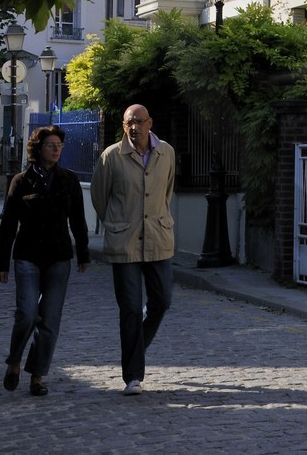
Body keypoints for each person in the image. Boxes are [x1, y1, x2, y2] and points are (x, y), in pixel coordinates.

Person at [0, 125, 89, 397]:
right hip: (28, 255)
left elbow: (78, 220)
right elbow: (9, 223)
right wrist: (2, 262)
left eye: (59, 144)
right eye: (51, 144)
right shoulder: (21, 181)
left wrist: (83, 252)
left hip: (59, 257)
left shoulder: (69, 179)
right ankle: (14, 359)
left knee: (49, 319)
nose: (56, 149)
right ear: (38, 149)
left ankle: (37, 375)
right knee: (26, 313)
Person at [90, 103, 175, 396]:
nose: (134, 127)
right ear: (123, 126)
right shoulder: (111, 156)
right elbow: (100, 198)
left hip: (158, 239)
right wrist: (117, 223)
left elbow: (167, 191)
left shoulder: (166, 152)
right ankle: (133, 376)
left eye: (139, 121)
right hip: (124, 241)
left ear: (149, 123)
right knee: (129, 309)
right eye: (129, 122)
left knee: (162, 301)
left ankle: (135, 346)